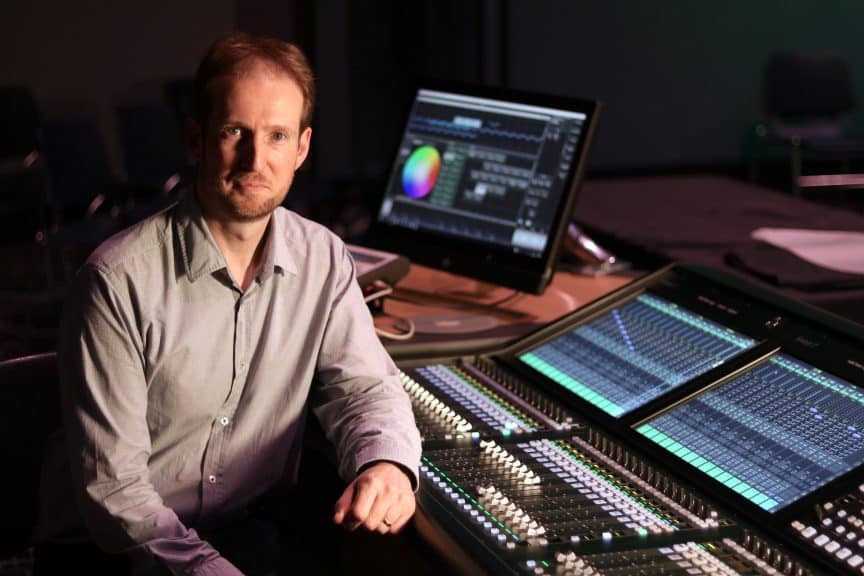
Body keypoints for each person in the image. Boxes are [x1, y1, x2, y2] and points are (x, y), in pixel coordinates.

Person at [35, 32, 422, 575]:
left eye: (277, 136)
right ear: (196, 138)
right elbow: (116, 494)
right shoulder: (115, 281)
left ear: (302, 149)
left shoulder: (325, 260)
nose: (254, 159)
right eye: (234, 131)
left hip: (245, 531)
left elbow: (363, 389)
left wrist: (387, 464)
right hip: (116, 552)